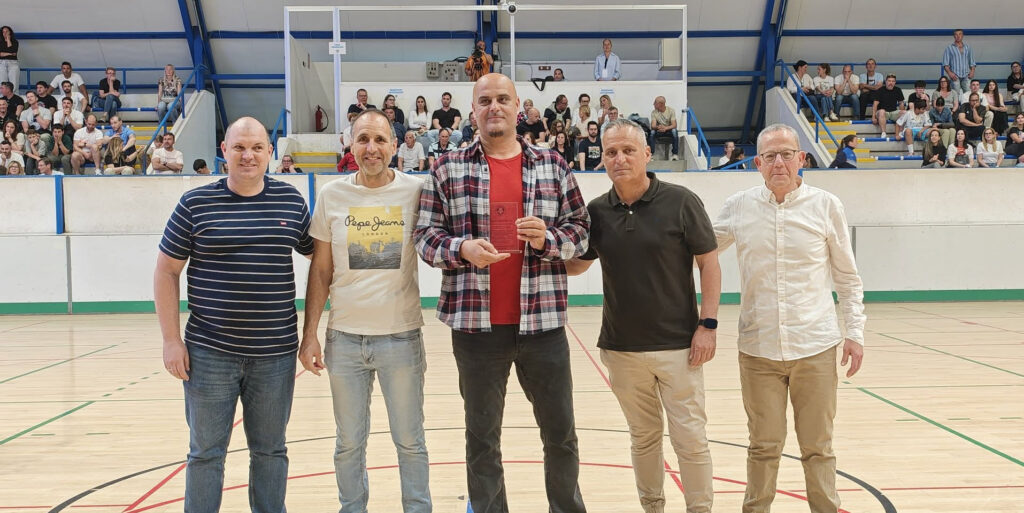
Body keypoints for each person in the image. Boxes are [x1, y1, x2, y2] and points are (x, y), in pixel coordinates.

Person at [413, 72, 590, 513]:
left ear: (518, 107)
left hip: (543, 325)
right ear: (472, 110)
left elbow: (582, 233)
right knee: (482, 440)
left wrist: (547, 239)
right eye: (485, 100)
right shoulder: (445, 167)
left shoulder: (553, 164)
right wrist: (463, 249)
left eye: (503, 99)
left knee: (561, 436)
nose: (495, 107)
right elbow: (425, 239)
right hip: (476, 329)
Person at [154, 116, 314, 513]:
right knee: (206, 453)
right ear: (223, 151)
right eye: (239, 147)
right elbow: (166, 271)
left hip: (275, 355)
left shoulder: (291, 201)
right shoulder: (195, 204)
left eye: (257, 147)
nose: (248, 155)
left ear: (270, 153)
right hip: (209, 354)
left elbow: (322, 259)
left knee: (271, 452)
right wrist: (172, 341)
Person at [564, 118, 720, 513]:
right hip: (621, 349)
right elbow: (577, 265)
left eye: (628, 150)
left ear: (647, 155)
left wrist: (708, 324)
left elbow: (710, 264)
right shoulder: (596, 211)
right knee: (643, 438)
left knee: (690, 438)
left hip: (680, 347)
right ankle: (653, 507)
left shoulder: (682, 201)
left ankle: (700, 509)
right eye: (611, 152)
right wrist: (543, 244)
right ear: (602, 160)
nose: (619, 159)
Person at [713, 123, 866, 513]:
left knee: (818, 447)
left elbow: (847, 277)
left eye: (786, 154)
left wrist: (855, 333)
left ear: (802, 159)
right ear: (757, 164)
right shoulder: (738, 207)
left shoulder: (826, 205)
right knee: (763, 445)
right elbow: (698, 247)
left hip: (815, 346)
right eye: (769, 156)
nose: (778, 163)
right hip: (757, 350)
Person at [299, 108, 431, 513]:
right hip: (345, 341)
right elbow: (321, 270)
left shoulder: (417, 192)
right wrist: (310, 336)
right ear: (349, 145)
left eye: (379, 140)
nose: (371, 148)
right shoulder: (331, 196)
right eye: (362, 140)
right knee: (349, 443)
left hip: (401, 338)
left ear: (395, 145)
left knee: (410, 441)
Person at [942, 28, 975, 94]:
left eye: (960, 34)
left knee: (968, 94)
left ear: (963, 35)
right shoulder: (949, 48)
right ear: (954, 36)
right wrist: (950, 73)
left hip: (966, 75)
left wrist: (972, 71)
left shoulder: (968, 47)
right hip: (955, 76)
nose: (958, 36)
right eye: (956, 34)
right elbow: (945, 64)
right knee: (955, 94)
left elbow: (972, 61)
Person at [648, 95, 680, 160]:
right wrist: (658, 127)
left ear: (661, 104)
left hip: (668, 130)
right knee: (652, 132)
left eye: (655, 102)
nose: (653, 104)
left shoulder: (671, 111)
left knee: (674, 131)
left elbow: (674, 125)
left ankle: (675, 154)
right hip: (659, 130)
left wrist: (665, 128)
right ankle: (651, 155)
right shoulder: (654, 112)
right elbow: (653, 126)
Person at [0, 27, 18, 91]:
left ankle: (15, 97)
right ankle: (2, 98)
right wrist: (10, 53)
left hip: (13, 63)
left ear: (10, 32)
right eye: (3, 32)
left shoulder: (15, 42)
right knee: (2, 82)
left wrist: (8, 40)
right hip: (1, 63)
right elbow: (0, 54)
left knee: (14, 82)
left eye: (6, 31)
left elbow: (12, 51)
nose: (5, 33)